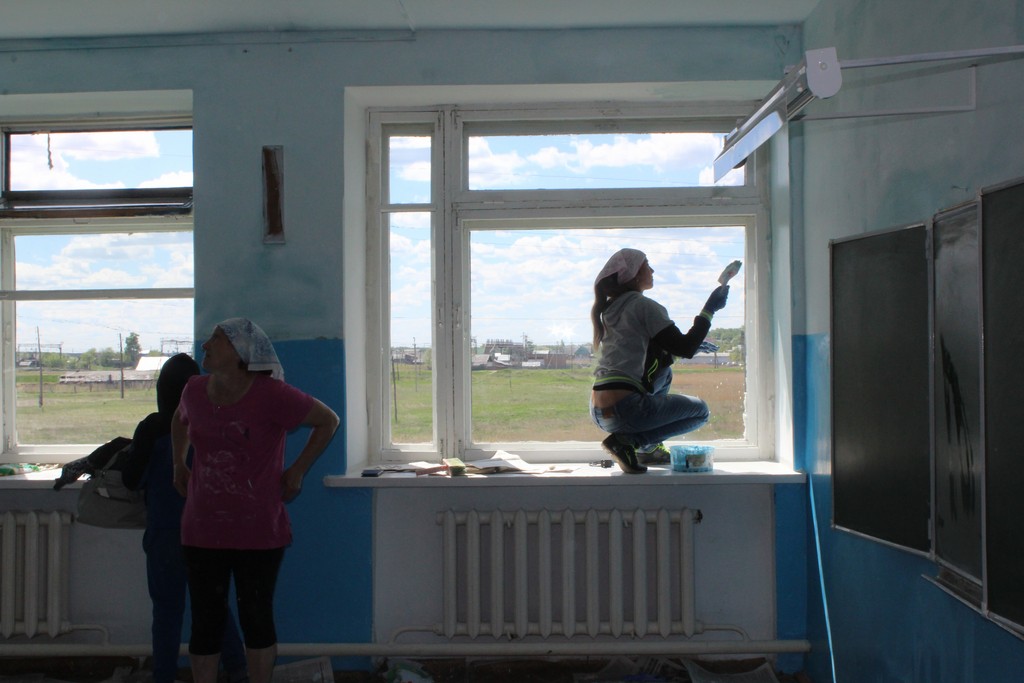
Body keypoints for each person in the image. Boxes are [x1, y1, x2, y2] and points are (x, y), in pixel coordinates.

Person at [171, 318, 340, 683]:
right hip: (201, 528)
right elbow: (179, 420)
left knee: (256, 618)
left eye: (216, 338)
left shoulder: (271, 394)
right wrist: (178, 463)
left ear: (240, 351)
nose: (205, 345)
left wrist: (297, 471)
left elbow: (328, 421)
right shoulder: (194, 390)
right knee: (205, 622)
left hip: (257, 530)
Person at [123, 353, 249, 683]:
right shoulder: (213, 422)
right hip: (209, 533)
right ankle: (238, 670)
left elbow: (131, 480)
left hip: (165, 535)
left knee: (167, 612)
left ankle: (163, 677)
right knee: (214, 607)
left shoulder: (152, 427)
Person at [589, 248, 729, 474]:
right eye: (647, 265)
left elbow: (651, 355)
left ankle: (648, 450)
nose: (652, 270)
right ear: (635, 274)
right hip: (626, 409)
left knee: (665, 373)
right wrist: (710, 309)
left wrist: (678, 350)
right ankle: (630, 442)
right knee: (701, 412)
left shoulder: (611, 308)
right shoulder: (643, 305)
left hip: (599, 410)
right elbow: (685, 348)